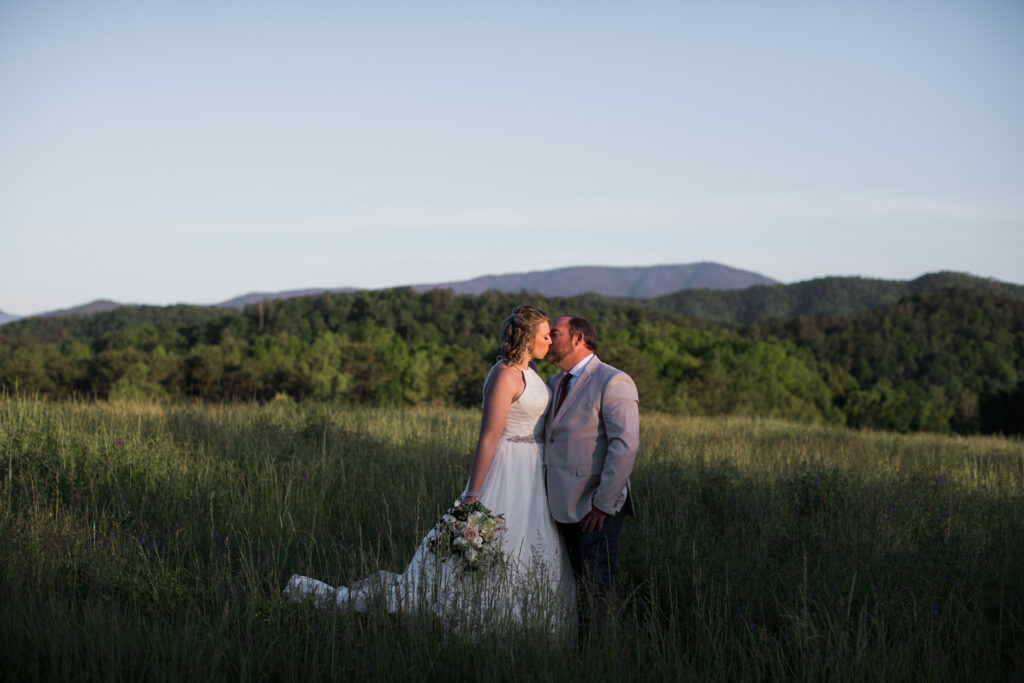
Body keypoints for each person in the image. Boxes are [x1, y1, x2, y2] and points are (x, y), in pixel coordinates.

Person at [285, 305, 574, 633]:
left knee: (531, 544)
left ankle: (530, 617)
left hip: (533, 473)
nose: (550, 341)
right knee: (481, 552)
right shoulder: (504, 374)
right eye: (546, 335)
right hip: (507, 469)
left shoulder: (534, 374)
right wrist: (473, 496)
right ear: (527, 337)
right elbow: (489, 438)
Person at [543, 315, 640, 641]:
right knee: (572, 589)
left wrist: (602, 504)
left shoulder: (614, 380)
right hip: (557, 506)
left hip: (594, 508)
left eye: (554, 334)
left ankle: (600, 659)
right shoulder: (555, 383)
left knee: (597, 590)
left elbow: (624, 446)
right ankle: (576, 652)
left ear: (578, 338)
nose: (547, 339)